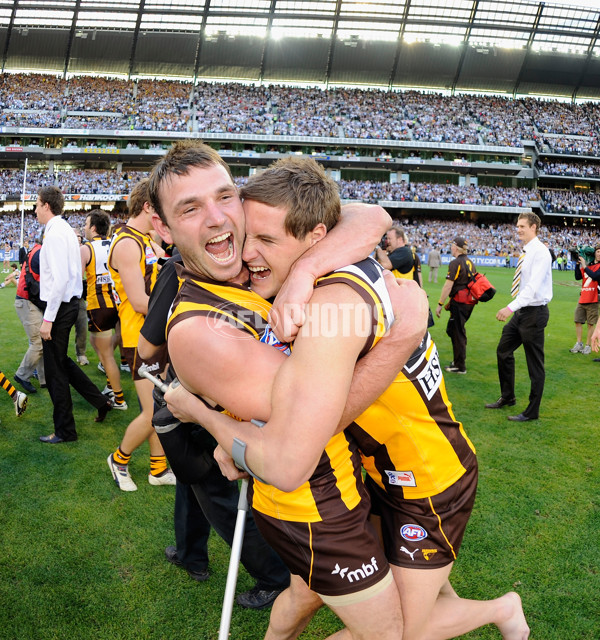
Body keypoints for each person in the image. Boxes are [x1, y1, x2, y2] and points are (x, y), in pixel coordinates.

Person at [161, 155, 529, 640]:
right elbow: (368, 217)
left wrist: (221, 430)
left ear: (316, 237)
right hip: (372, 469)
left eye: (265, 240)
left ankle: (505, 609)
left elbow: (295, 442)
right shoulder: (285, 281)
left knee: (405, 632)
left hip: (425, 480)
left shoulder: (335, 299)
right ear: (162, 227)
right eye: (251, 237)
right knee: (326, 594)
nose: (250, 252)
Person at [148, 143, 429, 639]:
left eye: (224, 196)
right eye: (190, 209)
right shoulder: (197, 332)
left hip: (360, 471)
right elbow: (305, 431)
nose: (217, 219)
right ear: (164, 230)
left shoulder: (255, 265)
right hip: (316, 498)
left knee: (304, 594)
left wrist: (302, 272)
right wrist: (400, 338)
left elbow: (369, 215)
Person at [138, 247, 291, 610]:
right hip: (230, 392)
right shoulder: (250, 257)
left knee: (220, 495)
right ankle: (191, 553)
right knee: (195, 483)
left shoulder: (181, 267)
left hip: (210, 400)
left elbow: (147, 346)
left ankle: (274, 576)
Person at [106, 178, 174, 490]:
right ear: (148, 207)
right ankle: (119, 459)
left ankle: (158, 470)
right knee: (151, 411)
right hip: (138, 338)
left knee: (160, 407)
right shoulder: (128, 243)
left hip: (151, 334)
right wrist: (178, 311)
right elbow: (138, 300)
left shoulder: (142, 238)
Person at [35, 186, 112, 444]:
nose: (35, 210)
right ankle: (100, 401)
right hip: (68, 303)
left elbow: (58, 281)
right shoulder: (64, 229)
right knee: (61, 362)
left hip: (59, 305)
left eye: (36, 204)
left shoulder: (56, 233)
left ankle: (65, 431)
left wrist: (48, 320)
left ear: (47, 205)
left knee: (55, 370)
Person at [485, 212, 552, 422]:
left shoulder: (541, 252)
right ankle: (508, 397)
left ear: (534, 227)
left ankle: (531, 412)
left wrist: (510, 308)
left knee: (535, 365)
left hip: (534, 313)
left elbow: (532, 288)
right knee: (503, 351)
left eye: (522, 226)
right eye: (517, 226)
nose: (518, 230)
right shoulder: (526, 251)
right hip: (523, 311)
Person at [80, 209, 127, 410]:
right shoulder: (116, 244)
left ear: (93, 228)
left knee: (106, 354)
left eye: (86, 224)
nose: (83, 228)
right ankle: (111, 385)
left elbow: (76, 277)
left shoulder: (86, 248)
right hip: (116, 303)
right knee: (98, 344)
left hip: (97, 305)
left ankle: (118, 398)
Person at [435, 236, 477, 374]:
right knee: (453, 330)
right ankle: (459, 360)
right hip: (468, 302)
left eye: (452, 246)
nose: (451, 248)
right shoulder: (469, 262)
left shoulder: (455, 263)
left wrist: (440, 303)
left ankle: (460, 366)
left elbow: (448, 286)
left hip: (460, 303)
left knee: (457, 333)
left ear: (456, 247)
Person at [13, 240, 45, 394]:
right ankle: (22, 375)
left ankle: (44, 379)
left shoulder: (36, 250)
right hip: (27, 301)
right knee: (38, 342)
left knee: (41, 340)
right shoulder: (41, 253)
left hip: (27, 300)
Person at [569, 247, 600, 355]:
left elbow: (595, 276)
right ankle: (579, 343)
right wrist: (578, 264)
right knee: (577, 320)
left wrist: (584, 265)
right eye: (598, 251)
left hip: (594, 298)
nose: (599, 254)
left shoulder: (596, 266)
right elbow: (578, 277)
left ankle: (588, 345)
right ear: (594, 253)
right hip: (583, 297)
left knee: (591, 324)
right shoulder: (587, 264)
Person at [73, 229, 89, 366]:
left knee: (82, 327)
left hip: (79, 297)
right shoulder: (64, 251)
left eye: (79, 236)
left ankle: (81, 353)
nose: (78, 238)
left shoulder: (84, 251)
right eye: (75, 236)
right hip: (64, 297)